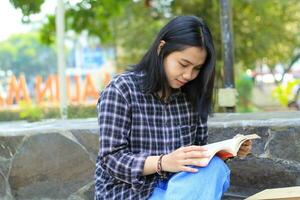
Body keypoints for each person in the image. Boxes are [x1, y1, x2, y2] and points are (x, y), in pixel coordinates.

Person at [94, 15, 252, 200]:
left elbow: (197, 159)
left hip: (179, 188)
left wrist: (229, 151)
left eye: (197, 68)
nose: (188, 75)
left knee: (216, 168)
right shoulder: (121, 90)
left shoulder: (191, 95)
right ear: (162, 49)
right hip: (131, 192)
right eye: (183, 64)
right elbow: (111, 159)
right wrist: (163, 162)